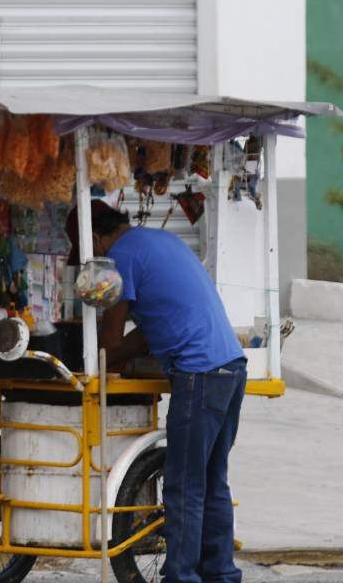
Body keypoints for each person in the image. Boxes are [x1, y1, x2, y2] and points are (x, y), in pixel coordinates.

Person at [70, 200, 247, 583]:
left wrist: (91, 357)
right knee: (212, 480)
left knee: (183, 485)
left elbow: (112, 336)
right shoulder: (157, 241)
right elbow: (149, 332)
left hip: (199, 374)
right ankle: (221, 573)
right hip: (231, 366)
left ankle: (181, 577)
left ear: (98, 241)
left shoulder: (121, 257)